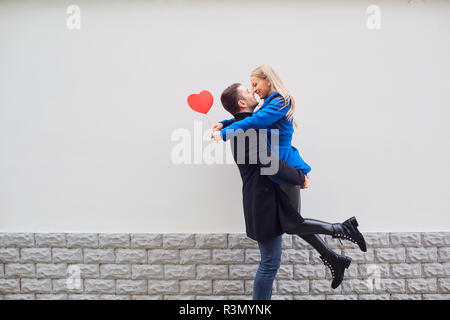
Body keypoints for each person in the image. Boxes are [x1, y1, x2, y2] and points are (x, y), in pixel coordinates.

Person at [212, 79, 367, 299]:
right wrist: (299, 176)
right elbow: (270, 164)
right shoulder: (248, 132)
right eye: (247, 91)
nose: (251, 90)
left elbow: (255, 122)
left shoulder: (247, 125)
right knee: (269, 264)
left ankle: (334, 253)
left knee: (293, 225)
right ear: (241, 102)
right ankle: (341, 230)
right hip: (263, 203)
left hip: (268, 198)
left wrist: (223, 123)